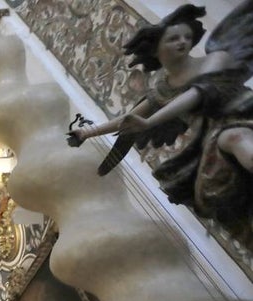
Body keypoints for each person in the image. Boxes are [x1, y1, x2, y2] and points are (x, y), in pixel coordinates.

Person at [67, 3, 253, 229]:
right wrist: (87, 132)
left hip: (243, 114)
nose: (183, 42)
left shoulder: (215, 59)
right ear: (155, 50)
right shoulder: (163, 89)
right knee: (215, 189)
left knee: (235, 139)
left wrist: (149, 122)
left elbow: (198, 93)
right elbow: (128, 119)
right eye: (173, 39)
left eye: (186, 37)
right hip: (213, 137)